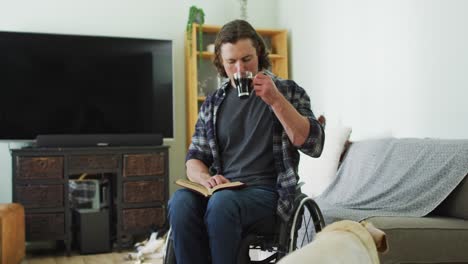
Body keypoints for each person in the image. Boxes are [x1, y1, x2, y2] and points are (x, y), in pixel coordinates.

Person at [168, 19, 324, 264]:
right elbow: (194, 160)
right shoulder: (212, 104)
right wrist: (205, 179)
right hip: (224, 192)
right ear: (221, 62)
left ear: (259, 54)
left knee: (222, 204)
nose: (240, 69)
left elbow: (313, 144)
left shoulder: (289, 91)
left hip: (270, 194)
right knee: (180, 202)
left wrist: (276, 100)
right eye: (232, 62)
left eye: (247, 59)